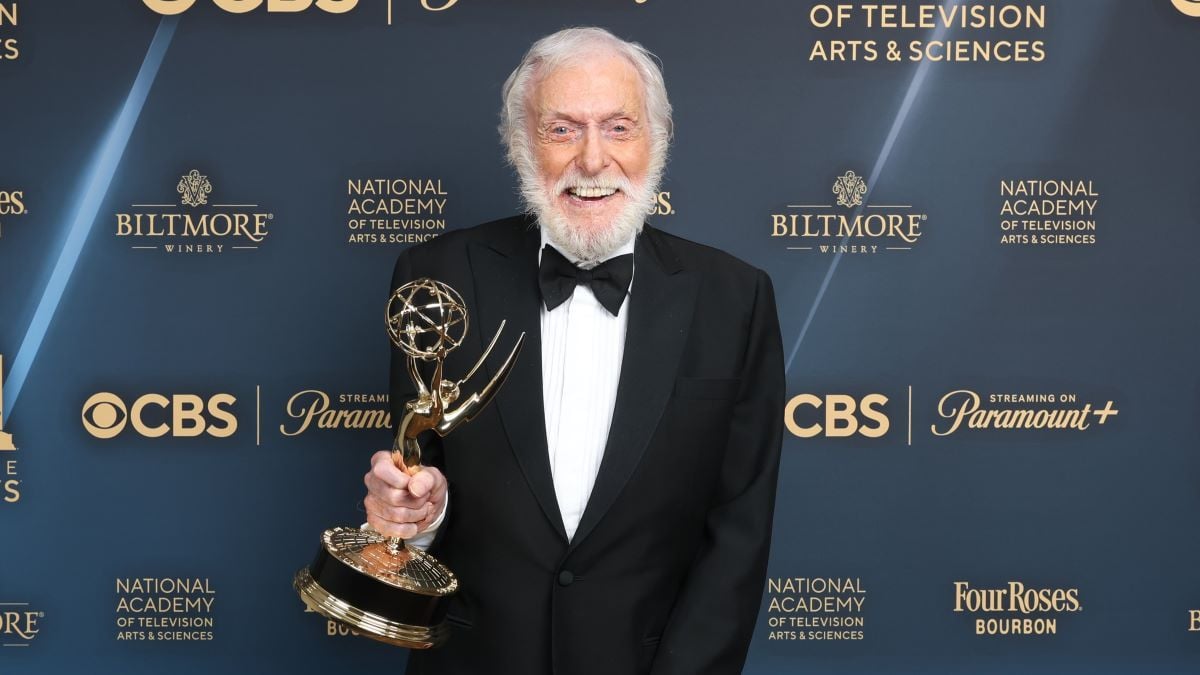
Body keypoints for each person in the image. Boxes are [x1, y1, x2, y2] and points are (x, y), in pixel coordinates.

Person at [362, 26, 784, 675]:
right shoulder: (437, 276)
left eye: (619, 127)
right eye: (562, 129)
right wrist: (414, 516)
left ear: (658, 141)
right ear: (520, 144)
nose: (592, 160)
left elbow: (737, 536)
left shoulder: (736, 299)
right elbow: (422, 479)